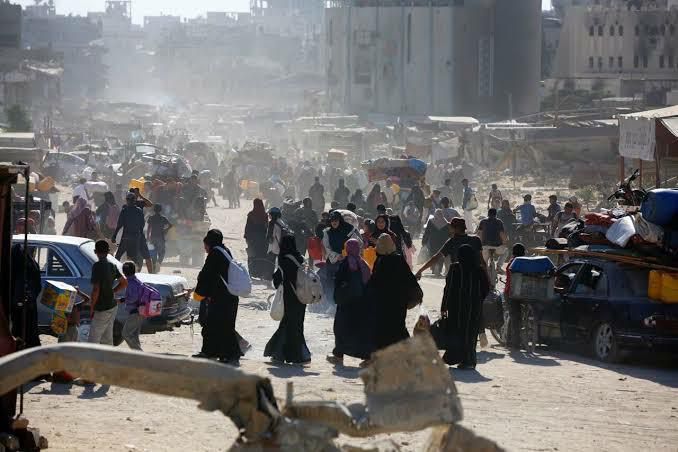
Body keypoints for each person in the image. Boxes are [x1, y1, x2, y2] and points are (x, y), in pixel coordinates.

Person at [192, 229, 243, 364]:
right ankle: (217, 352)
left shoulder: (215, 253)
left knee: (215, 326)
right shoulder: (225, 250)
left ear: (209, 243)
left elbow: (206, 275)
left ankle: (225, 354)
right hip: (229, 296)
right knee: (221, 326)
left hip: (221, 298)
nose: (205, 248)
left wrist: (199, 294)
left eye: (205, 245)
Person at [439, 244, 490, 369]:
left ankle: (457, 358)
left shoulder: (455, 268)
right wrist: (478, 300)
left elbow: (448, 288)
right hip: (474, 307)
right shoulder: (479, 269)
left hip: (457, 307)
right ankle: (469, 360)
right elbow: (486, 288)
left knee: (458, 332)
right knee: (471, 333)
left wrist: (444, 306)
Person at [368, 234, 421, 351]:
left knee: (382, 327)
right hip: (399, 301)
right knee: (399, 326)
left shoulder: (379, 261)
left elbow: (373, 283)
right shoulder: (399, 260)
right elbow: (409, 279)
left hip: (382, 303)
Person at [264, 236, 312, 365]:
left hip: (289, 298)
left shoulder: (284, 259)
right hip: (302, 297)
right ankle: (300, 355)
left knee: (287, 325)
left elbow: (278, 280)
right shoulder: (300, 258)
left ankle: (282, 354)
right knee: (297, 326)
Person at [327, 238, 373, 366]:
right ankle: (367, 357)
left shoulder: (346, 263)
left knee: (341, 329)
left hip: (346, 303)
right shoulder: (363, 264)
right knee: (359, 330)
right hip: (361, 304)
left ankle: (338, 355)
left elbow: (338, 281)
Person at [415, 218, 483, 279]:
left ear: (456, 229)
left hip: (458, 276)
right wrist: (487, 279)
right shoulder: (476, 240)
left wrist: (420, 270)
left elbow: (436, 257)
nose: (449, 228)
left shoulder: (452, 242)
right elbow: (482, 262)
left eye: (451, 227)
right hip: (475, 276)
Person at [89, 240, 128, 346]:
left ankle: (92, 357)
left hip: (102, 307)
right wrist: (112, 291)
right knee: (107, 338)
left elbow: (96, 289)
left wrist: (92, 307)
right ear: (108, 252)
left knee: (93, 338)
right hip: (112, 306)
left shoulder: (97, 266)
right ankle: (107, 355)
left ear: (95, 251)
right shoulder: (112, 266)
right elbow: (124, 282)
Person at [320, 210, 362, 308]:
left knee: (345, 282)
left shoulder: (349, 230)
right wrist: (337, 256)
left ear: (340, 220)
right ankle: (332, 304)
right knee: (330, 283)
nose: (334, 222)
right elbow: (326, 247)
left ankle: (344, 303)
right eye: (332, 220)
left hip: (347, 261)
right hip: (333, 261)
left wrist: (349, 254)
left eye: (336, 220)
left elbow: (358, 243)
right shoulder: (327, 232)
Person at [10, 244, 42, 349]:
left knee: (19, 331)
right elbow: (38, 287)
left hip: (20, 307)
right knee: (30, 332)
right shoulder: (32, 265)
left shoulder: (17, 267)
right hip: (30, 306)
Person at [113, 193, 152, 273]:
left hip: (126, 237)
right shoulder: (139, 210)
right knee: (133, 257)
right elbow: (142, 224)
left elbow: (119, 224)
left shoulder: (124, 210)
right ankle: (133, 274)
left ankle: (115, 273)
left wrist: (114, 235)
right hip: (136, 237)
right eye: (128, 199)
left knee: (118, 256)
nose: (129, 201)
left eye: (130, 199)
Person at [120, 261, 146, 350]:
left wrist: (122, 300)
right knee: (134, 335)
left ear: (124, 272)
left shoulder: (131, 283)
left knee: (126, 334)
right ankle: (137, 354)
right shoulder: (137, 281)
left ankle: (139, 353)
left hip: (135, 312)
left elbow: (134, 298)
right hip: (140, 311)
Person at [505, 243, 526, 349]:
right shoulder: (519, 262)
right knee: (515, 318)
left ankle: (511, 341)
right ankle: (514, 342)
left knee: (514, 317)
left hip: (511, 292)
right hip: (512, 293)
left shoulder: (512, 262)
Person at [477, 208, 508, 275]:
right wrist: (504, 243)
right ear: (496, 214)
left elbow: (479, 234)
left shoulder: (482, 221)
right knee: (506, 252)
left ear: (488, 214)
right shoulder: (499, 222)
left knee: (484, 263)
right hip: (497, 247)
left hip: (485, 246)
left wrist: (480, 244)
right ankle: (499, 267)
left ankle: (484, 272)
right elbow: (502, 234)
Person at [245, 199, 270, 279]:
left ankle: (252, 272)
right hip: (262, 239)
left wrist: (247, 237)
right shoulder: (265, 215)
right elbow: (267, 227)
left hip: (253, 239)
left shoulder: (251, 215)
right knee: (262, 255)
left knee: (252, 255)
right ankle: (261, 273)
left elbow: (248, 227)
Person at [422, 210, 450, 277]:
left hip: (433, 241)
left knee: (433, 254)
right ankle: (439, 269)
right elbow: (448, 234)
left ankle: (434, 268)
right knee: (441, 255)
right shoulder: (446, 223)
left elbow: (427, 232)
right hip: (443, 242)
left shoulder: (431, 221)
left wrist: (424, 241)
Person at [146, 204, 172, 270]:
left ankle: (154, 265)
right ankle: (159, 262)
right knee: (162, 252)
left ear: (154, 210)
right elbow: (170, 225)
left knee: (153, 252)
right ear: (161, 210)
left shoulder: (151, 218)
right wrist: (165, 230)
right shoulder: (163, 218)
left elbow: (149, 228)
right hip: (160, 237)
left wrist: (148, 237)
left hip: (152, 237)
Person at [266, 207, 288, 282]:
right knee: (280, 264)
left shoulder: (272, 223)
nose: (269, 215)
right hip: (282, 247)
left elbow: (270, 238)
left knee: (270, 263)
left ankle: (269, 278)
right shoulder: (282, 222)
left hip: (274, 248)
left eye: (270, 214)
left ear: (273, 214)